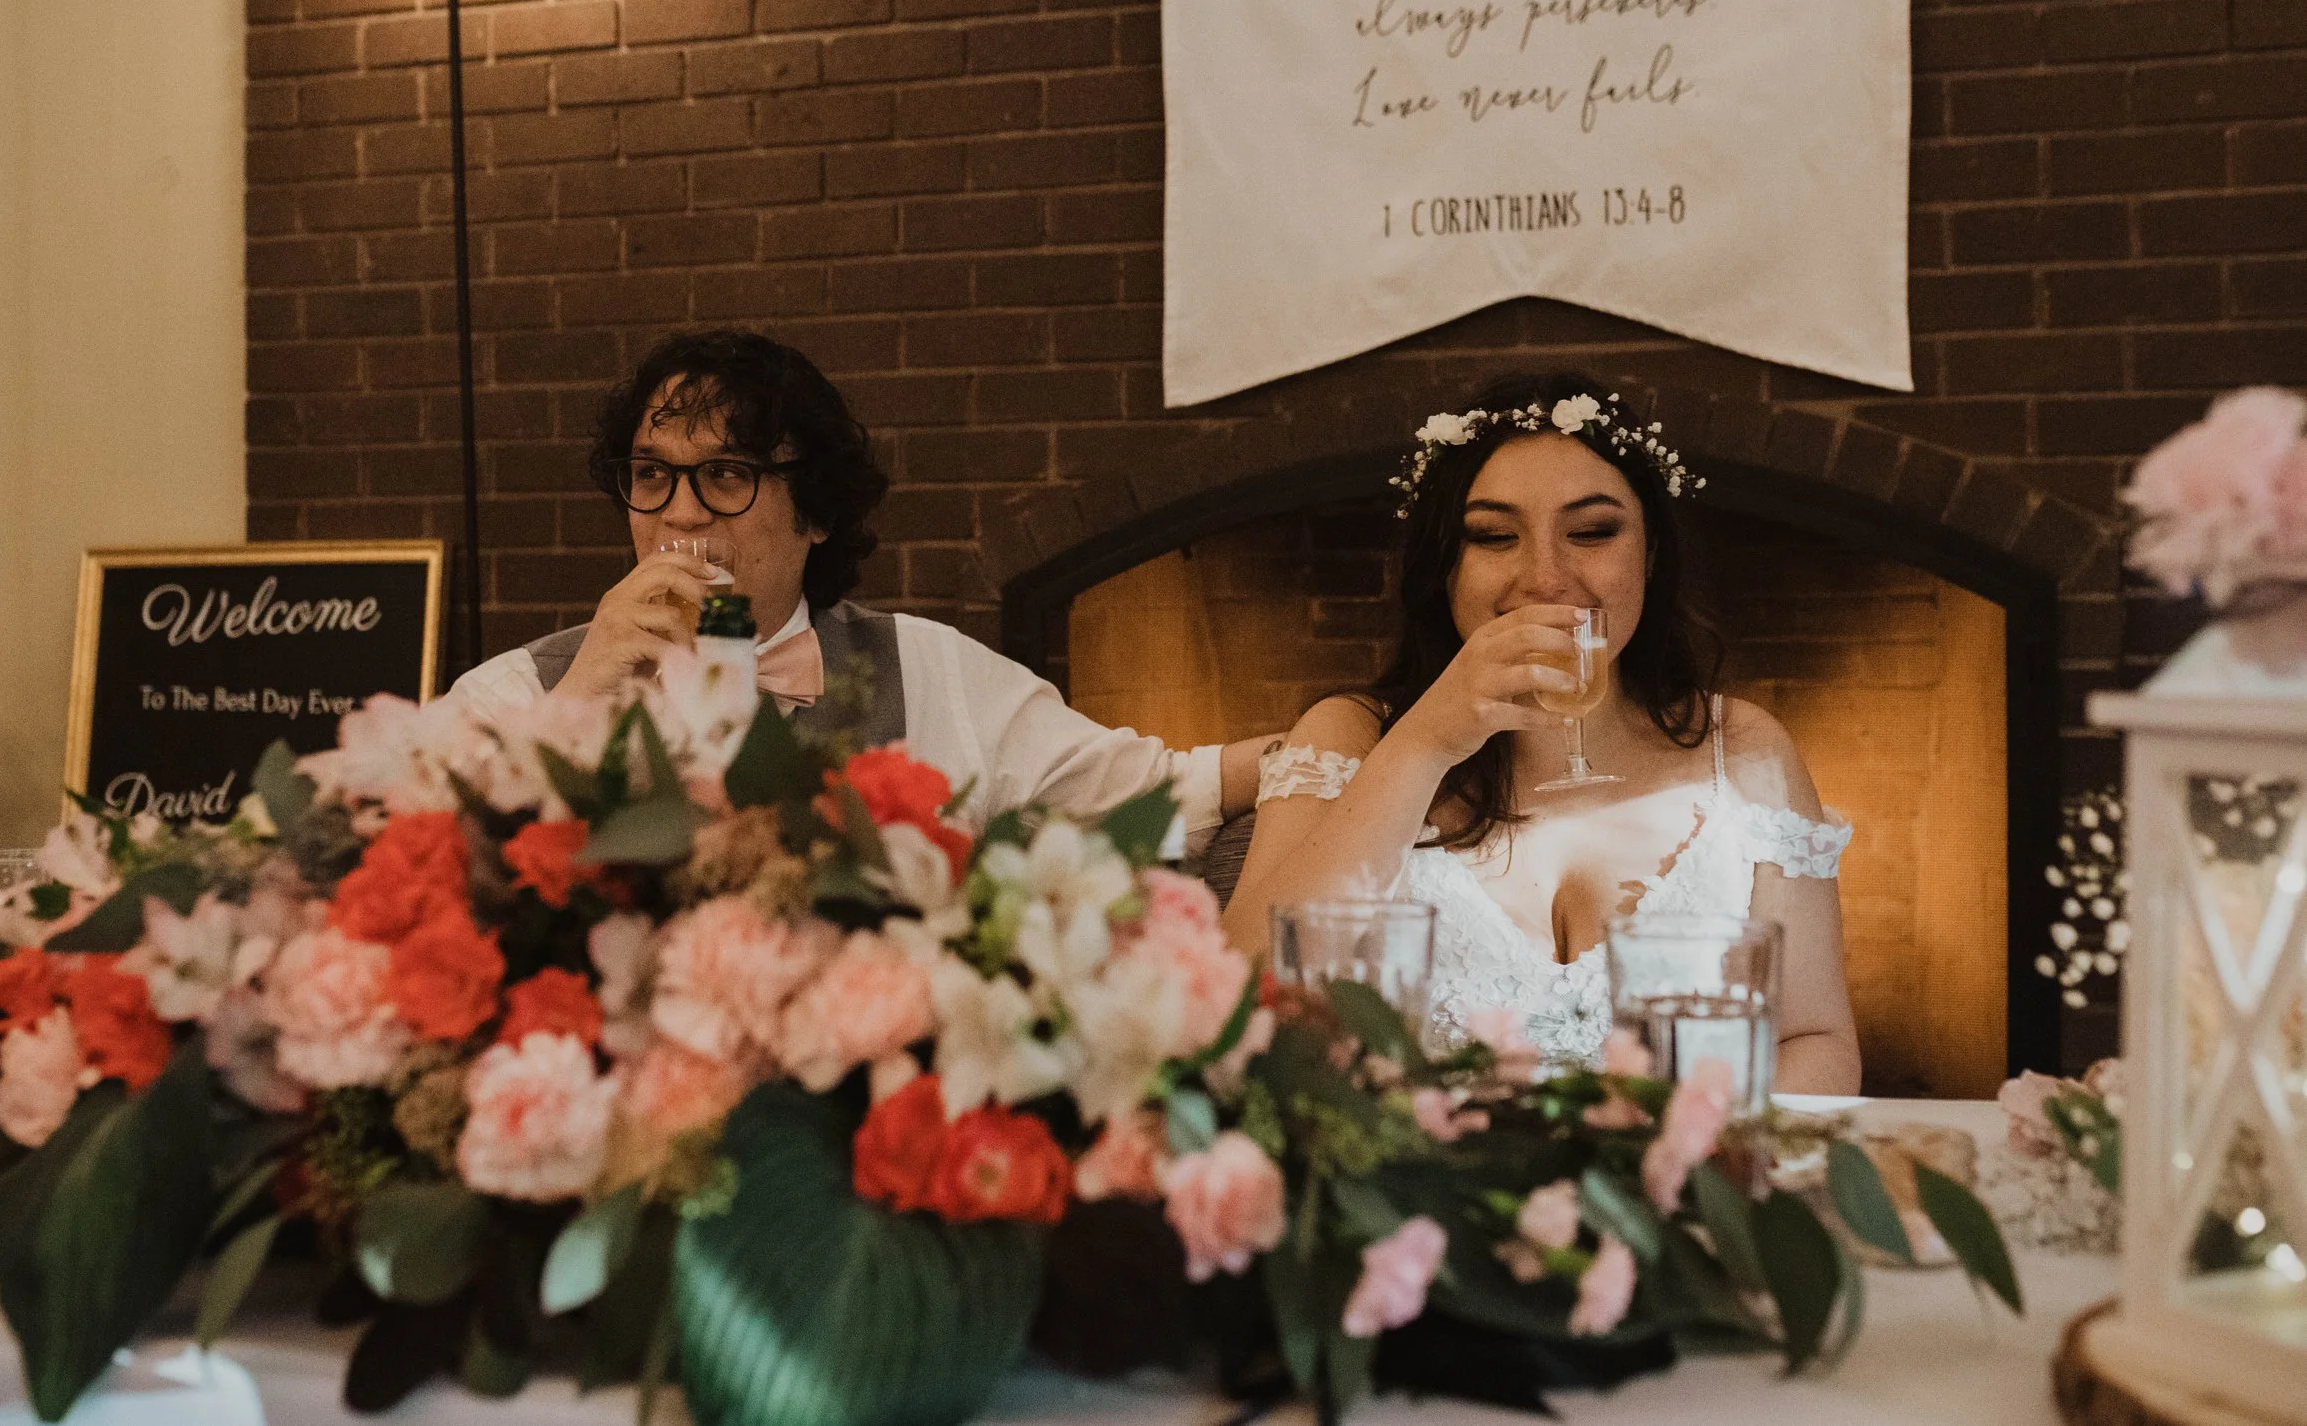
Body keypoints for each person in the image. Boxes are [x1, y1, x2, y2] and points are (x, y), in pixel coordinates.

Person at [1225, 375, 1861, 1094]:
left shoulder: (1746, 750)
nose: (1546, 578)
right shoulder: (1350, 736)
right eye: (1495, 536)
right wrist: (1427, 740)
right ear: (1446, 567)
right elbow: (1237, 999)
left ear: (1650, 554)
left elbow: (1815, 1039)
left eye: (1592, 531)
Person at [448, 328, 1265, 839]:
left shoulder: (931, 671)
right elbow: (374, 873)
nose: (682, 514)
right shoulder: (520, 689)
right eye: (653, 475)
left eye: (726, 473)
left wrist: (1351, 742)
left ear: (816, 511)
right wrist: (573, 707)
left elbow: (1154, 788)